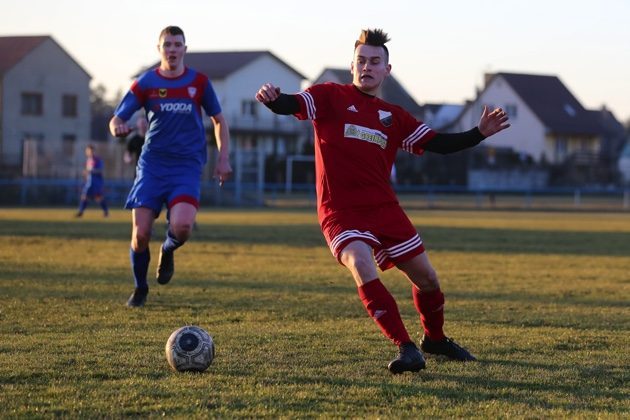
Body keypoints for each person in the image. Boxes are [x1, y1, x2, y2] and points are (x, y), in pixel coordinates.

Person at [255, 29, 510, 374]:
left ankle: (434, 339)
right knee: (361, 262)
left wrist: (479, 133)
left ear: (387, 70)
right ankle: (406, 348)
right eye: (361, 60)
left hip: (385, 209)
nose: (367, 67)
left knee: (429, 280)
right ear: (352, 65)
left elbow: (438, 144)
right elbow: (293, 104)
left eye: (375, 61)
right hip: (341, 212)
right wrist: (273, 98)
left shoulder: (394, 117)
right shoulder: (329, 96)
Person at [109, 26, 232, 308]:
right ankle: (140, 288)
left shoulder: (199, 82)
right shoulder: (147, 82)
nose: (172, 49)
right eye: (167, 45)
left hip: (187, 166)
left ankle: (168, 249)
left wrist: (224, 158)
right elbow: (117, 118)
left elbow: (219, 121)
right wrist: (118, 127)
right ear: (159, 49)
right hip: (152, 164)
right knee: (140, 235)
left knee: (183, 226)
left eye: (177, 44)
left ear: (185, 49)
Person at [75, 144, 109, 217]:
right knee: (84, 196)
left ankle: (106, 211)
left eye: (91, 151)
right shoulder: (88, 160)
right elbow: (88, 172)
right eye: (88, 151)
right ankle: (80, 212)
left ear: (94, 151)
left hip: (97, 183)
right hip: (89, 183)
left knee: (98, 198)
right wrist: (86, 175)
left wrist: (91, 171)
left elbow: (100, 170)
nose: (89, 153)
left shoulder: (98, 160)